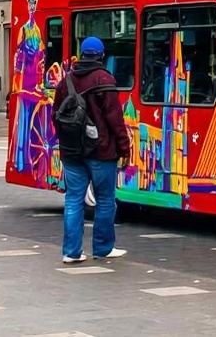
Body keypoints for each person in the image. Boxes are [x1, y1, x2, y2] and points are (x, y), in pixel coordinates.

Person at [53, 36, 131, 263]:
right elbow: (115, 119)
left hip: (72, 152)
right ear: (101, 55)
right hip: (101, 150)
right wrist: (124, 148)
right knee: (106, 199)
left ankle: (71, 252)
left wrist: (66, 141)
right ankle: (103, 248)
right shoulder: (104, 79)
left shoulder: (65, 82)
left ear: (82, 54)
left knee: (73, 199)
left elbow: (55, 116)